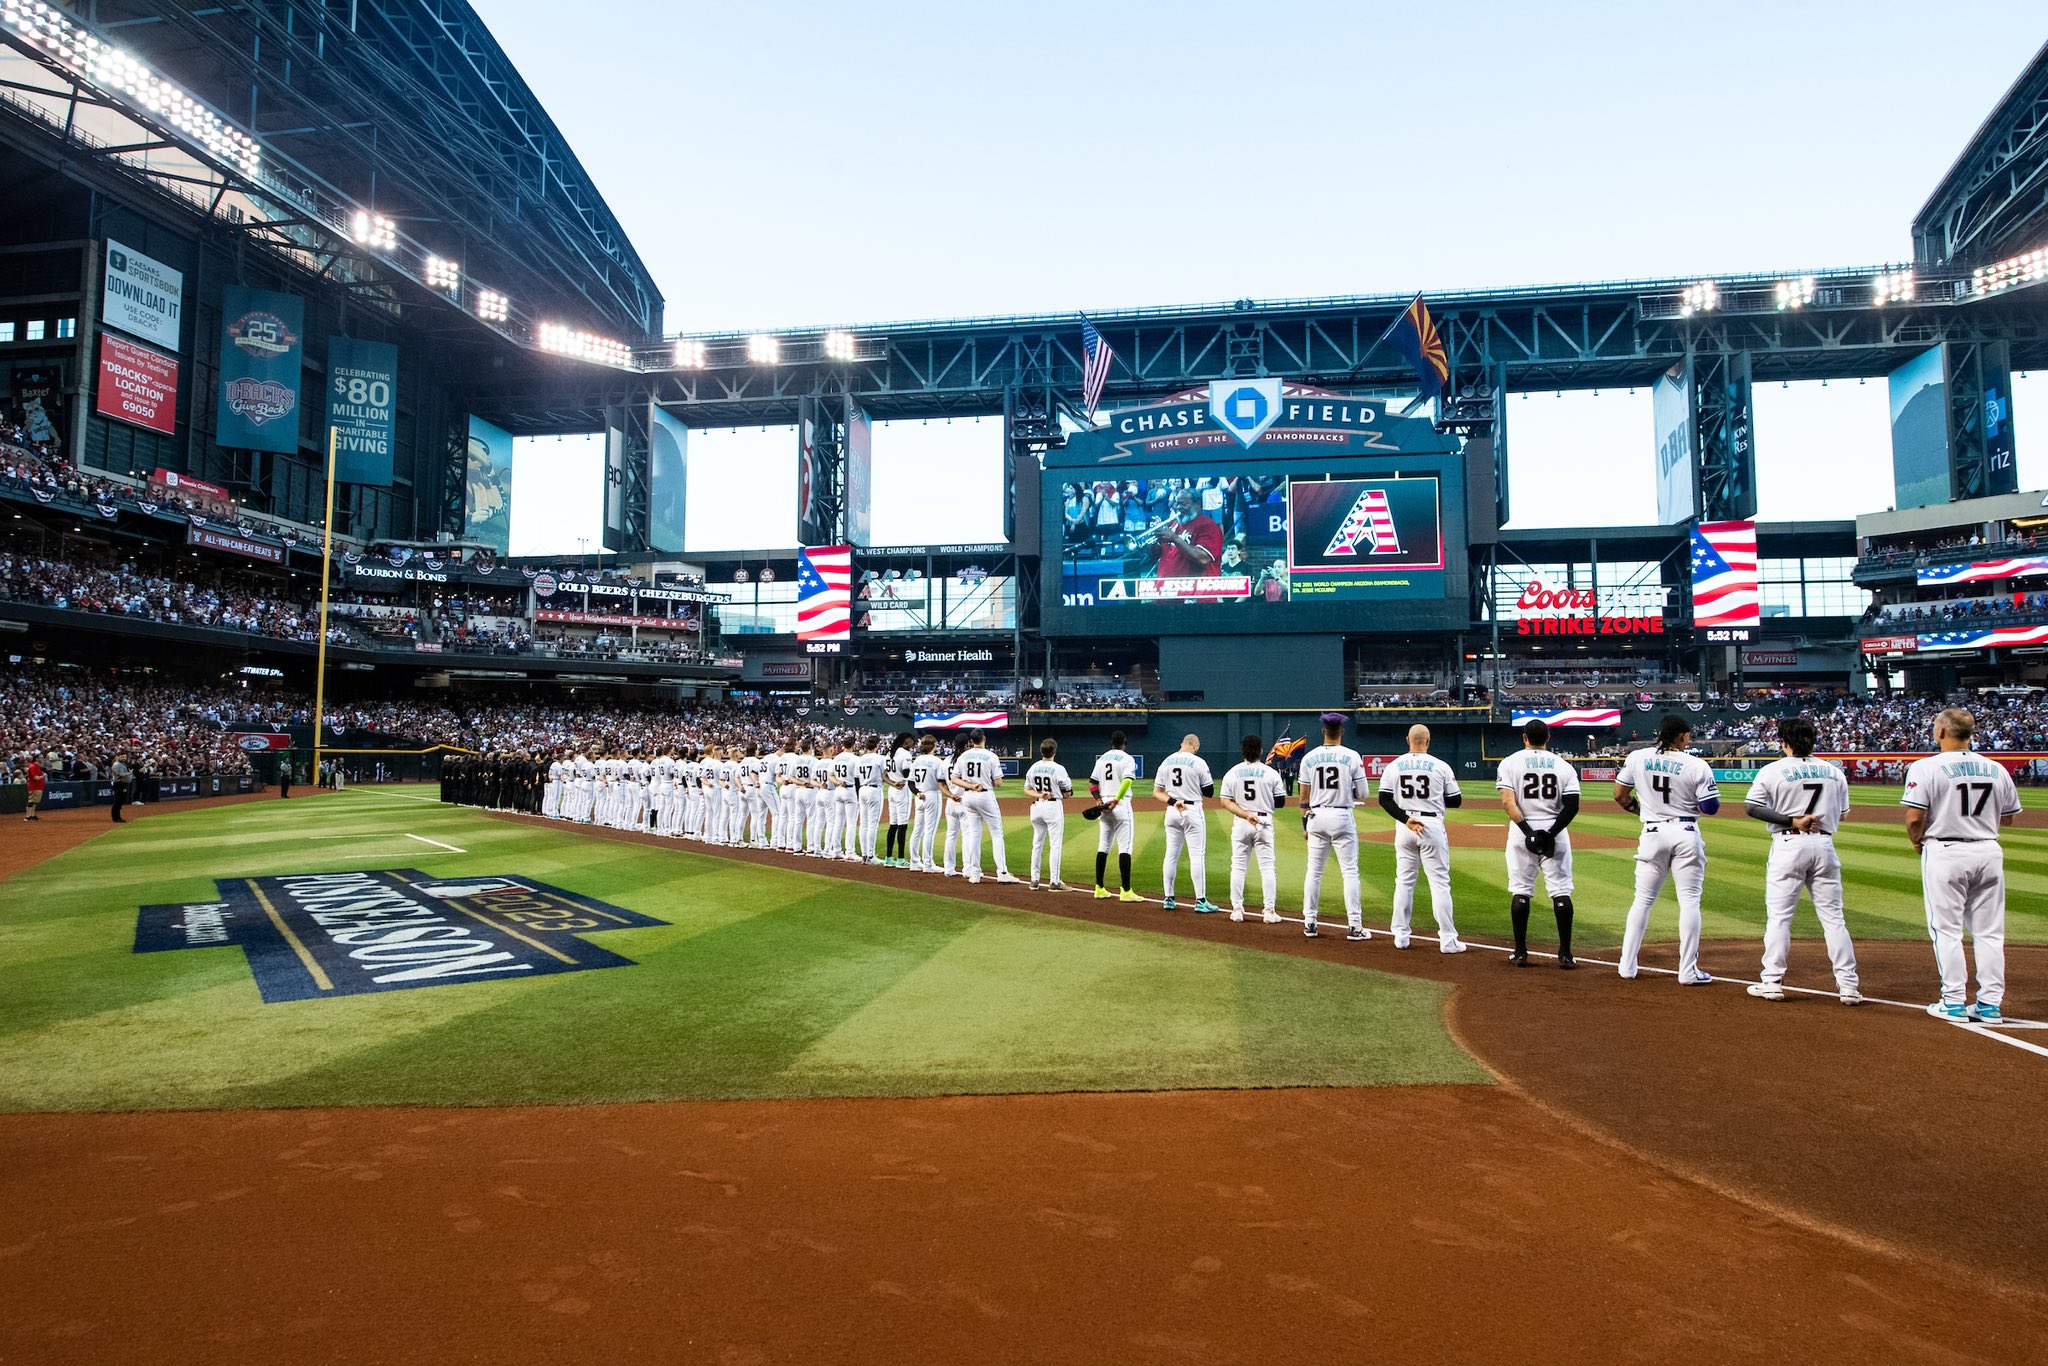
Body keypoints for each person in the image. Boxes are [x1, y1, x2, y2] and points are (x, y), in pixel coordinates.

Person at [1903, 707, 2020, 1023]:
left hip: (1946, 851)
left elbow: (1915, 817)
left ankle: (1953, 1001)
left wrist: (1918, 842)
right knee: (1990, 933)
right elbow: (2006, 817)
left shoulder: (1927, 767)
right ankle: (1990, 1005)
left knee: (1947, 931)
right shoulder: (1996, 769)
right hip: (1988, 850)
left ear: (1941, 732)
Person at [1744, 716, 1862, 1006]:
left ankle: (1771, 981)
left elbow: (1752, 808)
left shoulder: (1773, 770)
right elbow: (1843, 814)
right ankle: (1848, 986)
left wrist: (1792, 819)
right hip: (1824, 843)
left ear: (1783, 742)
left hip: (1789, 844)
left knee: (1780, 917)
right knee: (1834, 919)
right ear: (1813, 740)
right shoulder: (1833, 772)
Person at [1615, 716, 1721, 986]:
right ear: (1683, 737)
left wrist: (1638, 809)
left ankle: (1626, 966)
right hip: (1685, 833)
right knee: (1689, 903)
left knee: (1642, 900)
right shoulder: (1696, 764)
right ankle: (1687, 971)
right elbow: (1710, 808)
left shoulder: (1638, 757)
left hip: (1652, 832)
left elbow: (1619, 795)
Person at [1495, 719, 1582, 968]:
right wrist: (1550, 833)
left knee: (1521, 890)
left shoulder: (1510, 762)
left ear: (1525, 737)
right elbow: (1572, 805)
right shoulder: (1563, 765)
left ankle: (1521, 952)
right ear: (1548, 738)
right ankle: (1565, 954)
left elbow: (1507, 803)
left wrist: (1529, 832)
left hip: (1522, 831)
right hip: (1556, 831)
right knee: (1561, 890)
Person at [1376, 724, 1466, 952]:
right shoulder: (1440, 766)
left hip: (1405, 826)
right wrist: (1433, 800)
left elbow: (1384, 800)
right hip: (1431, 824)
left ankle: (1401, 936)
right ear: (1428, 740)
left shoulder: (1394, 766)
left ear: (1408, 739)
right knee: (1439, 884)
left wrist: (1405, 818)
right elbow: (1456, 800)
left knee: (1404, 882)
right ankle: (1447, 940)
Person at [1298, 713, 1371, 941]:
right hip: (1342, 815)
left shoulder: (1309, 757)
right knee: (1349, 871)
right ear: (1342, 732)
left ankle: (1310, 923)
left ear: (1323, 732)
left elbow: (1303, 797)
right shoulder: (1352, 756)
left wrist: (1305, 825)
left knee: (1314, 872)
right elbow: (1364, 794)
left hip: (1316, 815)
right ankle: (1355, 926)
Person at [1218, 734, 1287, 923]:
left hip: (1241, 822)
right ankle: (1269, 911)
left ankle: (1237, 910)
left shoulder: (1232, 772)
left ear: (1243, 751)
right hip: (1263, 822)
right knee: (1267, 868)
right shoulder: (1271, 773)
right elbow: (1280, 802)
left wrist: (1245, 814)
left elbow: (1225, 802)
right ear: (1261, 751)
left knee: (1238, 867)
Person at [1152, 733, 1217, 912]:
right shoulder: (1198, 762)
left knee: (1171, 855)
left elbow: (1157, 792)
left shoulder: (1166, 761)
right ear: (1195, 746)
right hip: (1192, 810)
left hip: (1172, 810)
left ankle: (1168, 898)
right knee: (1197, 856)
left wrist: (1173, 801)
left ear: (1182, 744)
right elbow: (1209, 791)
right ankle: (1201, 901)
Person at [949, 729, 1017, 885]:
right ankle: (1002, 872)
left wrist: (971, 786)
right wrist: (984, 782)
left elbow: (954, 779)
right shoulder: (991, 756)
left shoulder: (963, 756)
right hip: (985, 795)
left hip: (968, 796)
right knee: (996, 834)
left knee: (974, 834)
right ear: (984, 738)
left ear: (971, 740)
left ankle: (975, 873)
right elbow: (999, 782)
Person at [1089, 730, 1140, 902]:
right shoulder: (1127, 758)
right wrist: (1116, 801)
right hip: (1120, 804)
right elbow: (1127, 781)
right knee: (1125, 847)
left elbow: (1092, 784)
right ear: (1124, 742)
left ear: (1111, 743)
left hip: (1103, 805)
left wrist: (1098, 801)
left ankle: (1099, 888)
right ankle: (1126, 891)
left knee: (1103, 846)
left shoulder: (1102, 758)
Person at [1023, 737, 1073, 890]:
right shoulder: (1058, 768)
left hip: (1037, 807)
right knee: (1055, 845)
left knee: (1037, 844)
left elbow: (1026, 789)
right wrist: (1066, 793)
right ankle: (1054, 881)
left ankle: (1034, 880)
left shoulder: (1033, 767)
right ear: (1054, 752)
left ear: (1041, 752)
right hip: (1052, 808)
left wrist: (1039, 795)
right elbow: (1067, 791)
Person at [1151, 488, 1223, 579]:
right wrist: (1154, 539)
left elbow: (1203, 558)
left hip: (1195, 589)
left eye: (1183, 504)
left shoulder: (1208, 526)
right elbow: (1154, 556)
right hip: (1167, 586)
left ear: (1197, 504)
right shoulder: (1174, 524)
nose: (1179, 507)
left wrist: (1175, 538)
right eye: (1177, 503)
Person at [909, 735, 945, 871]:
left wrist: (917, 792)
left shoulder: (917, 760)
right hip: (932, 795)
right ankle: (928, 864)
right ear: (933, 745)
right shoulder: (936, 761)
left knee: (917, 830)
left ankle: (914, 862)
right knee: (930, 830)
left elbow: (911, 782)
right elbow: (941, 781)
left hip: (919, 796)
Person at [883, 732, 917, 867]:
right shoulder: (905, 754)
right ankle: (901, 859)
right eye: (912, 742)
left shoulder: (889, 753)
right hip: (902, 789)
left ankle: (889, 858)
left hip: (893, 789)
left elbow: (884, 775)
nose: (913, 744)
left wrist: (893, 784)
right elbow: (906, 773)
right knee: (902, 825)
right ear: (907, 741)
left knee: (893, 824)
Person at [856, 736, 886, 863]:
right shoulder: (880, 758)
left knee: (863, 824)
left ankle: (864, 855)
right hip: (874, 790)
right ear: (877, 746)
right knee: (872, 824)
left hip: (862, 789)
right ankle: (871, 855)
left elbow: (856, 779)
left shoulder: (860, 759)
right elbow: (885, 775)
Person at [108, 754, 132, 823]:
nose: (124, 758)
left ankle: (117, 817)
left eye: (125, 757)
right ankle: (116, 817)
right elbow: (121, 774)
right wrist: (129, 773)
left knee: (120, 801)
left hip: (122, 784)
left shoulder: (122, 764)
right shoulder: (117, 765)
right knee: (118, 801)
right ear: (117, 757)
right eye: (122, 757)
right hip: (119, 784)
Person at [23, 752, 45, 822]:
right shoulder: (33, 766)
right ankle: (28, 816)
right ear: (37, 758)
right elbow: (36, 778)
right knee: (31, 801)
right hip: (34, 786)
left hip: (38, 786)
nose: (42, 759)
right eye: (41, 757)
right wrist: (43, 776)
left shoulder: (36, 766)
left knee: (34, 801)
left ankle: (32, 815)